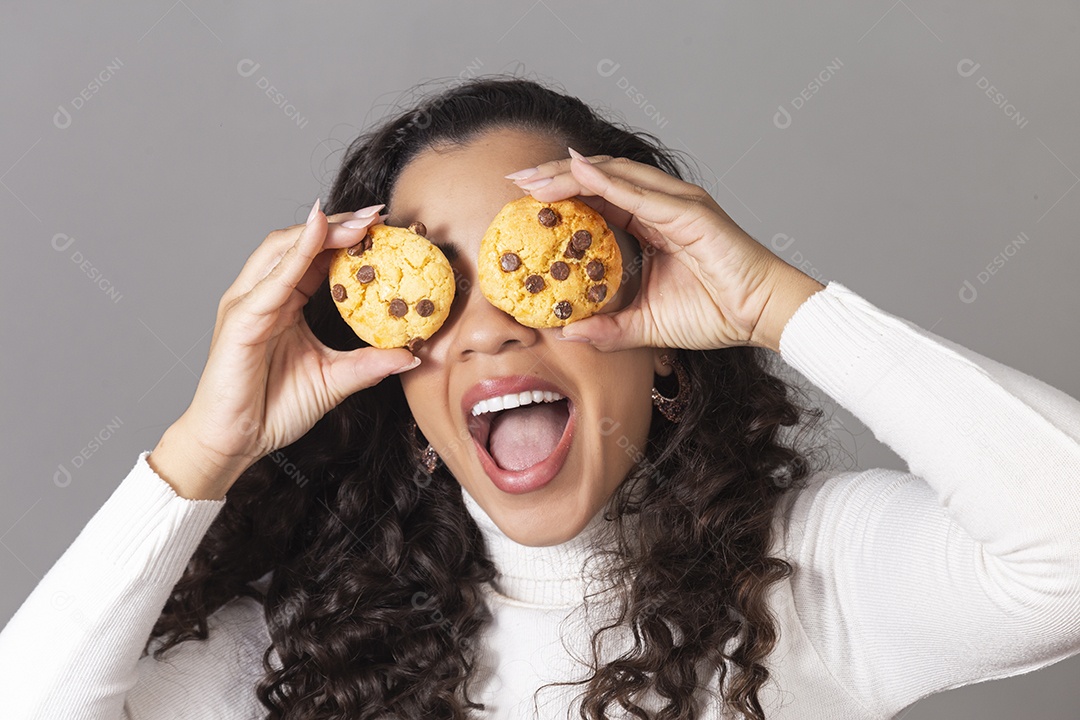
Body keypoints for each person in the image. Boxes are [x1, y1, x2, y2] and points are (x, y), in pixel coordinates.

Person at [2, 76, 1079, 720]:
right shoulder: (299, 645)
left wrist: (774, 301)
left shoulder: (810, 580)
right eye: (439, 297)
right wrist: (208, 443)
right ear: (404, 393)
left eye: (532, 279)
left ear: (661, 347)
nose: (489, 326)